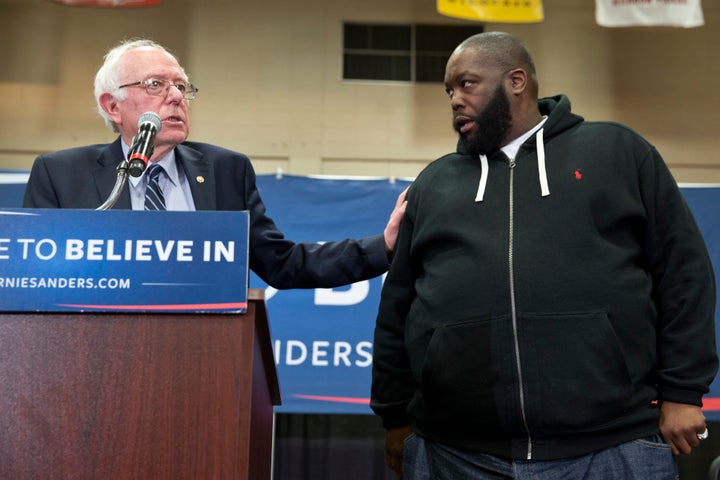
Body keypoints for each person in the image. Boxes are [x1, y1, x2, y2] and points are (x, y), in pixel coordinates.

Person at [370, 31, 717, 479]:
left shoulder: (617, 152)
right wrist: (394, 416)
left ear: (517, 81)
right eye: (449, 90)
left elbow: (683, 274)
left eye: (467, 84)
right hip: (456, 453)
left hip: (612, 446)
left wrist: (683, 392)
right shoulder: (435, 183)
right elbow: (397, 309)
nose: (454, 99)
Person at [23, 38, 407, 289]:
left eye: (181, 86)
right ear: (112, 106)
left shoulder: (225, 170)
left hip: (203, 360)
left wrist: (384, 246)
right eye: (155, 85)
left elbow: (283, 264)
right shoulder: (60, 174)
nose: (175, 96)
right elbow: (37, 279)